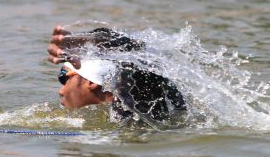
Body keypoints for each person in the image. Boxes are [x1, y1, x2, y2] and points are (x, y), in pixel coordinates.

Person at [47, 25, 186, 124]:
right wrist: (90, 40)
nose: (61, 90)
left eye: (64, 77)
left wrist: (90, 40)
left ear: (91, 82)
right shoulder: (154, 123)